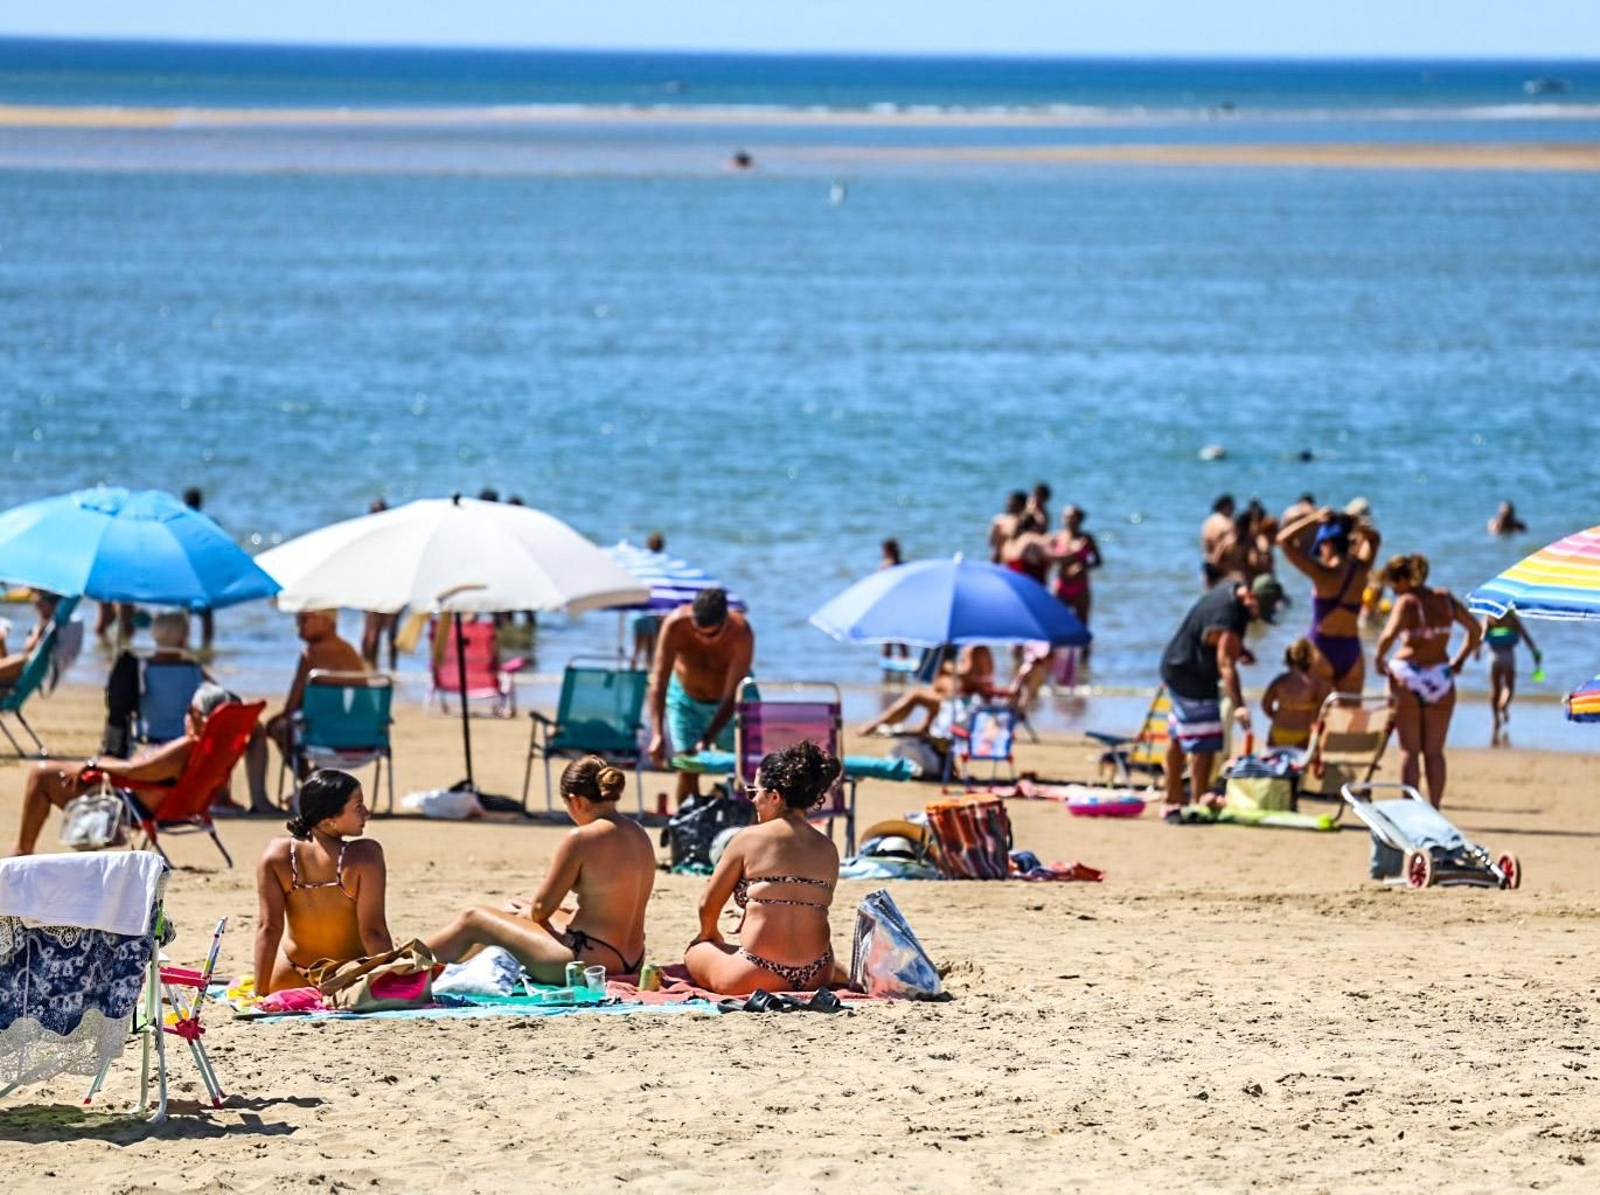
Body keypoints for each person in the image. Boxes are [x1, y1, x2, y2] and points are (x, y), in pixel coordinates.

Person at [426, 757, 655, 981]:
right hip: (632, 959)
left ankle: (412, 963)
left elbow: (540, 911)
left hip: (586, 961)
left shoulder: (582, 838)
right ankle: (443, 969)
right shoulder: (638, 832)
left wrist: (528, 913)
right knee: (515, 906)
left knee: (474, 918)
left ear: (575, 801)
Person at [685, 741, 841, 994]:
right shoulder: (828, 847)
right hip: (818, 974)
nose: (753, 800)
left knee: (697, 950)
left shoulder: (749, 838)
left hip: (756, 974)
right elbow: (799, 901)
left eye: (754, 792)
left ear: (774, 796)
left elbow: (708, 905)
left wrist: (710, 933)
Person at [10, 681, 235, 855]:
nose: (186, 715)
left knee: (41, 774)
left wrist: (93, 764)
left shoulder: (185, 749)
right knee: (65, 769)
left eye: (190, 710)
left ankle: (23, 850)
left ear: (199, 715)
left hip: (123, 804)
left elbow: (135, 771)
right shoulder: (212, 752)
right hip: (162, 802)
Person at [253, 769, 391, 995]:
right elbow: (373, 932)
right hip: (347, 979)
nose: (367, 813)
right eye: (358, 806)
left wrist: (258, 995)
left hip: (289, 976)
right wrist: (392, 986)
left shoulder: (277, 854)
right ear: (329, 819)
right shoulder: (364, 855)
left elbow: (268, 929)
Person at [1158, 575, 1284, 815]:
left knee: (1178, 733)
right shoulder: (1230, 616)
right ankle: (1198, 798)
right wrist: (1239, 705)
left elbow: (1212, 633)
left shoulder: (1230, 588)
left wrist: (1239, 647)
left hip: (1175, 665)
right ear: (1251, 597)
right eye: (1259, 610)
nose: (1257, 617)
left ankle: (1173, 795)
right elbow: (1226, 664)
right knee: (1205, 738)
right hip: (1190, 674)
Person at [1372, 554, 1482, 808]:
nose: (1393, 592)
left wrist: (1378, 659)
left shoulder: (1407, 601)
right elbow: (1475, 630)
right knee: (1434, 752)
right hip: (1441, 676)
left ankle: (1411, 809)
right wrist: (1459, 660)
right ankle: (1435, 809)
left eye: (1393, 586)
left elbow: (1388, 636)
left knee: (1409, 751)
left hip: (1408, 675)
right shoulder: (1445, 599)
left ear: (1402, 580)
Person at [647, 588, 755, 803]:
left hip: (731, 702)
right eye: (698, 632)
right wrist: (657, 734)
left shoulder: (741, 634)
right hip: (685, 698)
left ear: (725, 622)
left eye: (712, 635)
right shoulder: (675, 624)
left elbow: (731, 697)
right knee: (687, 766)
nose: (704, 639)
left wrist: (707, 738)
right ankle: (687, 821)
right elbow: (658, 682)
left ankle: (749, 819)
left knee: (749, 768)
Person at [246, 609, 366, 802]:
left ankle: (313, 787)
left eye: (303, 618)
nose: (298, 624)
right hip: (362, 737)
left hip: (324, 737)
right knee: (302, 725)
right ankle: (317, 787)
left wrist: (274, 722)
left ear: (324, 621)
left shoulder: (311, 654)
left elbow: (292, 706)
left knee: (278, 728)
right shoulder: (350, 652)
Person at [1277, 506, 1381, 696]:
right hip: (1351, 650)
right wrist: (1355, 526)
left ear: (1327, 544)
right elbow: (1375, 539)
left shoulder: (1322, 574)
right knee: (1351, 713)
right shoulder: (1361, 570)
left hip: (1321, 649)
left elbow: (1283, 541)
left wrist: (1313, 518)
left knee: (1316, 713)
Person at [858, 644, 995, 736]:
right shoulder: (982, 648)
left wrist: (947, 668)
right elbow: (976, 677)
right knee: (938, 686)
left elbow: (968, 675)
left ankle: (877, 723)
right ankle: (926, 725)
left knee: (916, 694)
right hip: (972, 699)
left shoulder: (974, 649)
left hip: (966, 704)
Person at [1478, 610, 1541, 742]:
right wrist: (1534, 652)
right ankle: (1503, 705)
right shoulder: (1512, 617)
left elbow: (1482, 636)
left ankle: (1495, 719)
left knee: (1495, 689)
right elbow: (1525, 636)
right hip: (1508, 656)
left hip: (1493, 657)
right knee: (1509, 687)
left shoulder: (1488, 617)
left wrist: (1476, 651)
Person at [1261, 638, 1332, 749]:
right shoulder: (1316, 683)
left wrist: (1274, 716)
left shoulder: (1280, 680)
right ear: (1310, 659)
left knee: (1273, 758)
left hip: (1278, 730)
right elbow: (1322, 711)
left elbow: (1266, 704)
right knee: (1304, 758)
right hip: (1302, 732)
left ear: (1288, 659)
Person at [1050, 507, 1102, 656]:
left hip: (1080, 586)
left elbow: (1098, 561)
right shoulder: (1057, 537)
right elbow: (1052, 560)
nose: (1069, 520)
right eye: (1066, 516)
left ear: (1080, 519)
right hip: (1062, 585)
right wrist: (1075, 553)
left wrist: (1085, 566)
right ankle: (1056, 658)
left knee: (1082, 626)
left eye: (1073, 517)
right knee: (1056, 623)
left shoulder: (1086, 538)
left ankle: (1084, 663)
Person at [359, 498, 400, 671]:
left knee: (391, 634)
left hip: (391, 588)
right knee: (372, 634)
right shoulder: (367, 537)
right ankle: (369, 669)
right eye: (375, 511)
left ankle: (392, 670)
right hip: (373, 588)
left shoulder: (394, 537)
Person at [0, 590, 59, 688]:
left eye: (39, 605)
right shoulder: (49, 624)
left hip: (23, 666)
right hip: (17, 669)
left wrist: (38, 630)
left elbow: (30, 651)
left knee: (23, 657)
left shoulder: (46, 626)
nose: (36, 608)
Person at [182, 487, 215, 649]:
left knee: (186, 614)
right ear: (200, 503)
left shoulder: (181, 523)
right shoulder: (208, 523)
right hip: (205, 574)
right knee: (207, 616)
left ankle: (184, 646)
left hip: (188, 573)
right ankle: (206, 647)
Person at [879, 539, 908, 662]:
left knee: (887, 639)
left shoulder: (885, 567)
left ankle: (886, 666)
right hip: (900, 604)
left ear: (887, 551)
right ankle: (905, 661)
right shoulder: (904, 565)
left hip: (888, 605)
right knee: (902, 639)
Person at [1200, 495, 1236, 587]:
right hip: (1221, 565)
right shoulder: (1225, 522)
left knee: (1211, 592)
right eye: (1232, 507)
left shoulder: (1209, 521)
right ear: (1225, 506)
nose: (1233, 510)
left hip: (1208, 562)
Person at [988, 491, 1027, 563]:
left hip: (1019, 560)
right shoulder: (999, 521)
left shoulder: (1028, 521)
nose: (1009, 505)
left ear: (1022, 505)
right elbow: (992, 542)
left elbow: (991, 542)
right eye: (1009, 503)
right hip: (1003, 559)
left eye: (1013, 504)